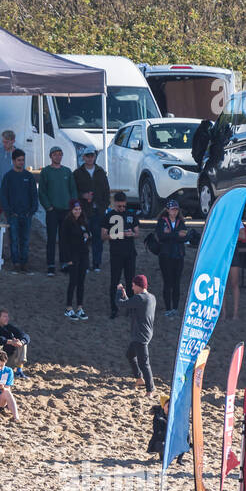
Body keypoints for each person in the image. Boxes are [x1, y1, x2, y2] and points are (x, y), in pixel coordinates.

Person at [0, 148, 38, 271]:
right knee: (14, 239)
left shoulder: (29, 176)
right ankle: (16, 263)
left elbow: (34, 194)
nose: (21, 162)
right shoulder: (8, 177)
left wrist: (32, 210)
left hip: (26, 214)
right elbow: (4, 196)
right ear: (13, 161)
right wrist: (9, 212)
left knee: (25, 239)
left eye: (23, 160)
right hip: (13, 214)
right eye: (19, 160)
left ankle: (24, 262)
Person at [38, 146, 75, 276]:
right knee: (51, 238)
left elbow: (73, 190)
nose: (58, 156)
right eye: (55, 154)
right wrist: (48, 206)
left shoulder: (67, 171)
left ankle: (64, 262)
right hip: (52, 210)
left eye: (60, 154)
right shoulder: (46, 172)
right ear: (51, 156)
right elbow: (41, 191)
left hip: (66, 210)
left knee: (65, 238)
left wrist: (73, 207)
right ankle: (51, 264)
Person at [102, 191, 139, 319]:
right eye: (119, 206)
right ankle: (114, 308)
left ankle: (130, 308)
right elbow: (103, 235)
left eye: (124, 206)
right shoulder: (109, 216)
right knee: (115, 282)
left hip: (130, 253)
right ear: (114, 204)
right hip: (116, 253)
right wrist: (119, 234)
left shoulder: (131, 214)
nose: (122, 209)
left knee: (131, 282)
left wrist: (131, 234)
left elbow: (137, 233)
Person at [72, 147, 110, 271]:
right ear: (83, 157)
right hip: (84, 211)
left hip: (98, 210)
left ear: (94, 156)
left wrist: (104, 206)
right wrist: (83, 196)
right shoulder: (77, 173)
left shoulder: (100, 172)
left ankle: (96, 263)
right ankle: (85, 264)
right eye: (87, 156)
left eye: (92, 156)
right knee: (84, 238)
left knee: (98, 238)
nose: (90, 158)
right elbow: (73, 192)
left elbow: (106, 191)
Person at [118, 274, 156, 394]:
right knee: (130, 355)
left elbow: (121, 304)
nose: (132, 288)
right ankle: (139, 379)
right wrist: (126, 297)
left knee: (144, 363)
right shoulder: (151, 297)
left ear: (139, 286)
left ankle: (150, 389)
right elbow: (133, 305)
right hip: (145, 333)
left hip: (140, 336)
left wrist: (119, 292)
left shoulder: (140, 298)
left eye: (133, 286)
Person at [156, 200, 189, 317]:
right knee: (167, 282)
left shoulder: (181, 222)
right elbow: (161, 236)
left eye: (176, 210)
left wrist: (170, 234)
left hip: (178, 255)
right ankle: (168, 308)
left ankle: (175, 307)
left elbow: (185, 237)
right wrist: (176, 234)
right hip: (166, 256)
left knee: (176, 283)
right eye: (172, 209)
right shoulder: (162, 221)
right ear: (167, 210)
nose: (174, 212)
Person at [60, 200, 91, 320]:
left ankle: (79, 307)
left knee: (81, 282)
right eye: (75, 209)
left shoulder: (83, 221)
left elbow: (89, 235)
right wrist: (67, 259)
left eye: (79, 209)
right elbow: (63, 243)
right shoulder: (67, 223)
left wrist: (87, 236)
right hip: (73, 255)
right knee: (73, 281)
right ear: (71, 210)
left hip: (83, 254)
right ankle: (68, 307)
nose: (78, 211)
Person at [0, 308, 29, 378]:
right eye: (4, 316)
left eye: (7, 316)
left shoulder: (8, 327)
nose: (7, 318)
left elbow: (24, 335)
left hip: (7, 360)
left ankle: (19, 370)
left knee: (22, 343)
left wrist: (21, 342)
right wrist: (8, 341)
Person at [0, 130, 18, 221]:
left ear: (13, 141)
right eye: (3, 141)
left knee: (10, 217)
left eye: (6, 142)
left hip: (12, 192)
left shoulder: (18, 154)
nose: (4, 144)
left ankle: (10, 235)